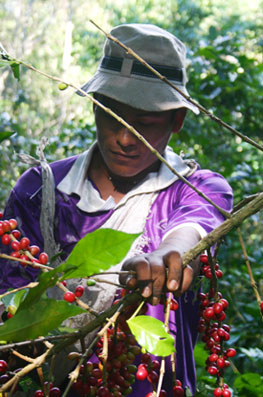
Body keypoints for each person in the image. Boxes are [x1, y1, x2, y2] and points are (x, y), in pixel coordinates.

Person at [0, 24, 233, 395]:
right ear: (94, 107)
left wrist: (170, 254)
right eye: (113, 117)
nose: (124, 138)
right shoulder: (39, 191)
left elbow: (194, 228)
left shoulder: (197, 188)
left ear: (177, 121)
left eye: (144, 124)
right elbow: (11, 307)